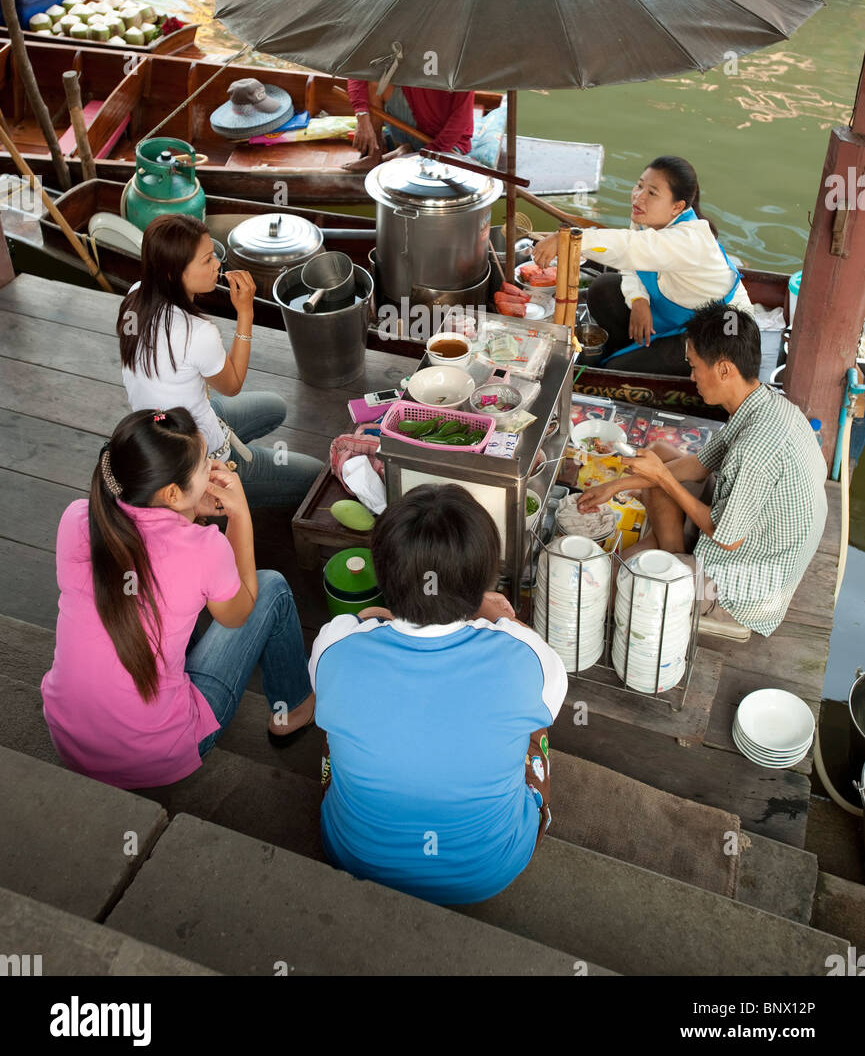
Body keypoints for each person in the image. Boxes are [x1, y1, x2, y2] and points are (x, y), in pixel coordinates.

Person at [309, 484, 568, 906]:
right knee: (535, 722)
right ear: (485, 579)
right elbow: (543, 673)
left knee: (334, 718)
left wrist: (373, 615)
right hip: (488, 869)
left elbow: (356, 624)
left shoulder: (333, 647)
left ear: (384, 573)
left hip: (354, 855)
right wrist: (497, 617)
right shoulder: (528, 661)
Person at [42, 409, 314, 790]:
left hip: (72, 740)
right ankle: (294, 708)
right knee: (271, 588)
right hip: (156, 754)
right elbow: (239, 615)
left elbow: (151, 559)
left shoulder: (76, 518)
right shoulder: (204, 549)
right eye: (205, 462)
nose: (215, 466)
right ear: (171, 492)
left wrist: (183, 513)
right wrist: (240, 515)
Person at [578, 303, 828, 637]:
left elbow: (726, 538)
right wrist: (619, 485)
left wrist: (661, 477)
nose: (692, 376)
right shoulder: (763, 403)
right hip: (752, 531)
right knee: (661, 454)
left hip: (746, 583)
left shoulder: (757, 447)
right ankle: (674, 552)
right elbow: (697, 466)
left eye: (695, 367)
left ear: (724, 370)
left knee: (628, 580)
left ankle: (675, 567)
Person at [116, 214, 322, 509]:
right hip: (195, 457)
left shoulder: (135, 295)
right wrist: (246, 313)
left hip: (157, 431)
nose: (217, 265)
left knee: (275, 406)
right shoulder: (198, 333)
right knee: (315, 476)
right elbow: (233, 384)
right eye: (207, 260)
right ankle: (217, 488)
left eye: (214, 254)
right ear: (175, 273)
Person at [533, 156, 753, 377]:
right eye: (639, 186)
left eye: (652, 193)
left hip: (718, 330)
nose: (639, 196)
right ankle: (628, 352)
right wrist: (638, 300)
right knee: (604, 288)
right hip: (673, 311)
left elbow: (629, 248)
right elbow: (630, 262)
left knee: (616, 373)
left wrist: (572, 239)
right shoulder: (645, 219)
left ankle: (627, 361)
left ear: (677, 207)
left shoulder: (691, 240)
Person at [345, 78, 475, 172]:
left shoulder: (460, 58)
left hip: (449, 144)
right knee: (376, 83)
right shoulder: (409, 41)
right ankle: (374, 156)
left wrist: (430, 154)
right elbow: (359, 67)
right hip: (416, 123)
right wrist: (362, 117)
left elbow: (461, 118)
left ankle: (408, 151)